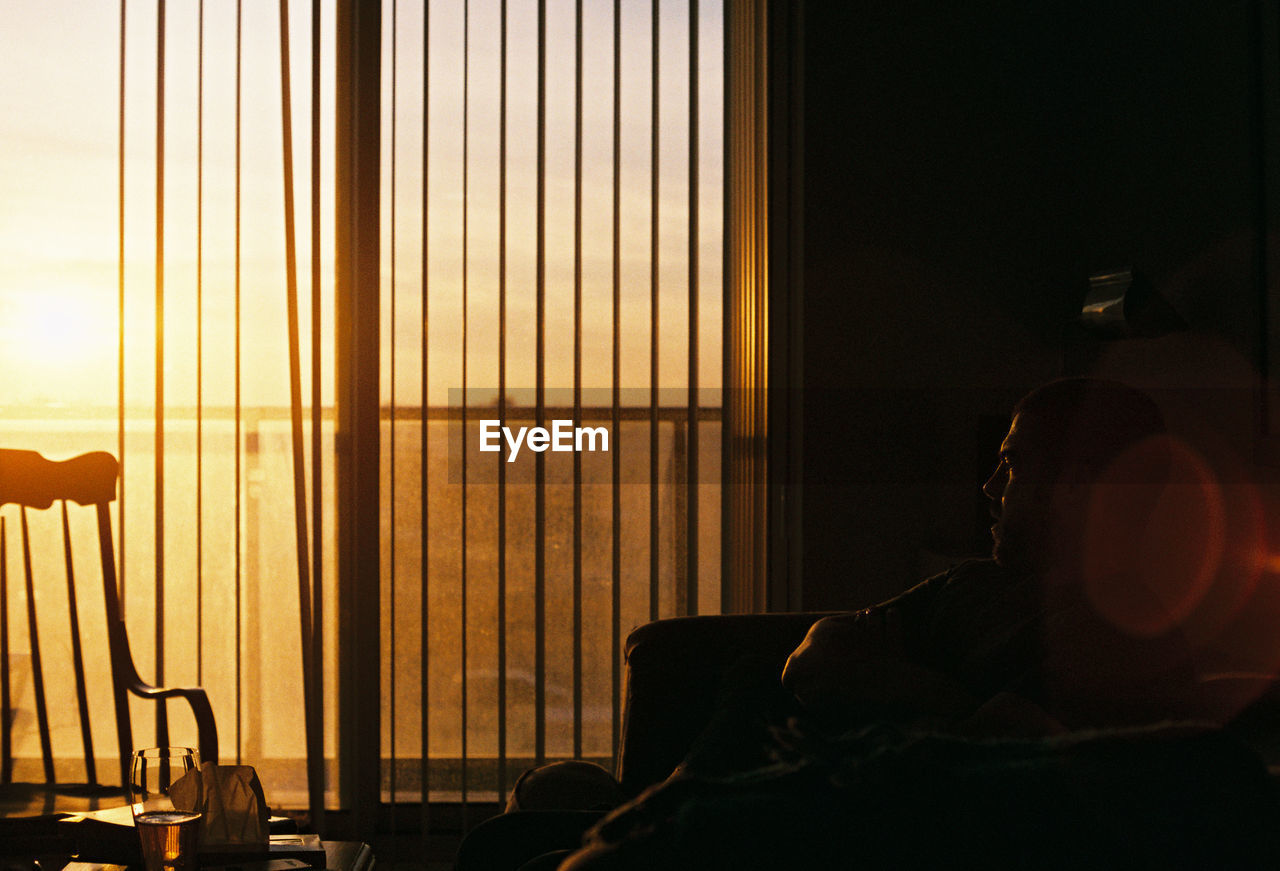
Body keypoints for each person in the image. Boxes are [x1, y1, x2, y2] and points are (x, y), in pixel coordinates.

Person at [458, 378, 1223, 870]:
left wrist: (889, 692)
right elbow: (816, 652)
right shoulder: (972, 586)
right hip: (774, 783)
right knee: (506, 842)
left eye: (1014, 465)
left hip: (823, 822)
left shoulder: (1120, 636)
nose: (989, 486)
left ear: (1084, 485)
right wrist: (936, 695)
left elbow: (1008, 776)